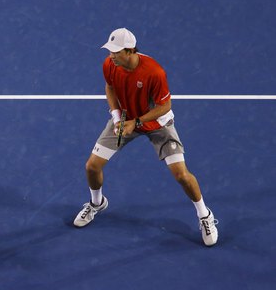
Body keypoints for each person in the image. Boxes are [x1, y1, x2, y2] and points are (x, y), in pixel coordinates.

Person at [73, 28, 218, 246]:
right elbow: (110, 87)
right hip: (125, 119)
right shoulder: (110, 64)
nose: (111, 56)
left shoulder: (154, 72)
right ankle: (97, 203)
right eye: (110, 51)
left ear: (130, 50)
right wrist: (117, 117)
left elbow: (165, 106)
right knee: (92, 166)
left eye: (116, 51)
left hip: (158, 124)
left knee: (181, 175)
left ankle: (204, 215)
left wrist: (137, 122)